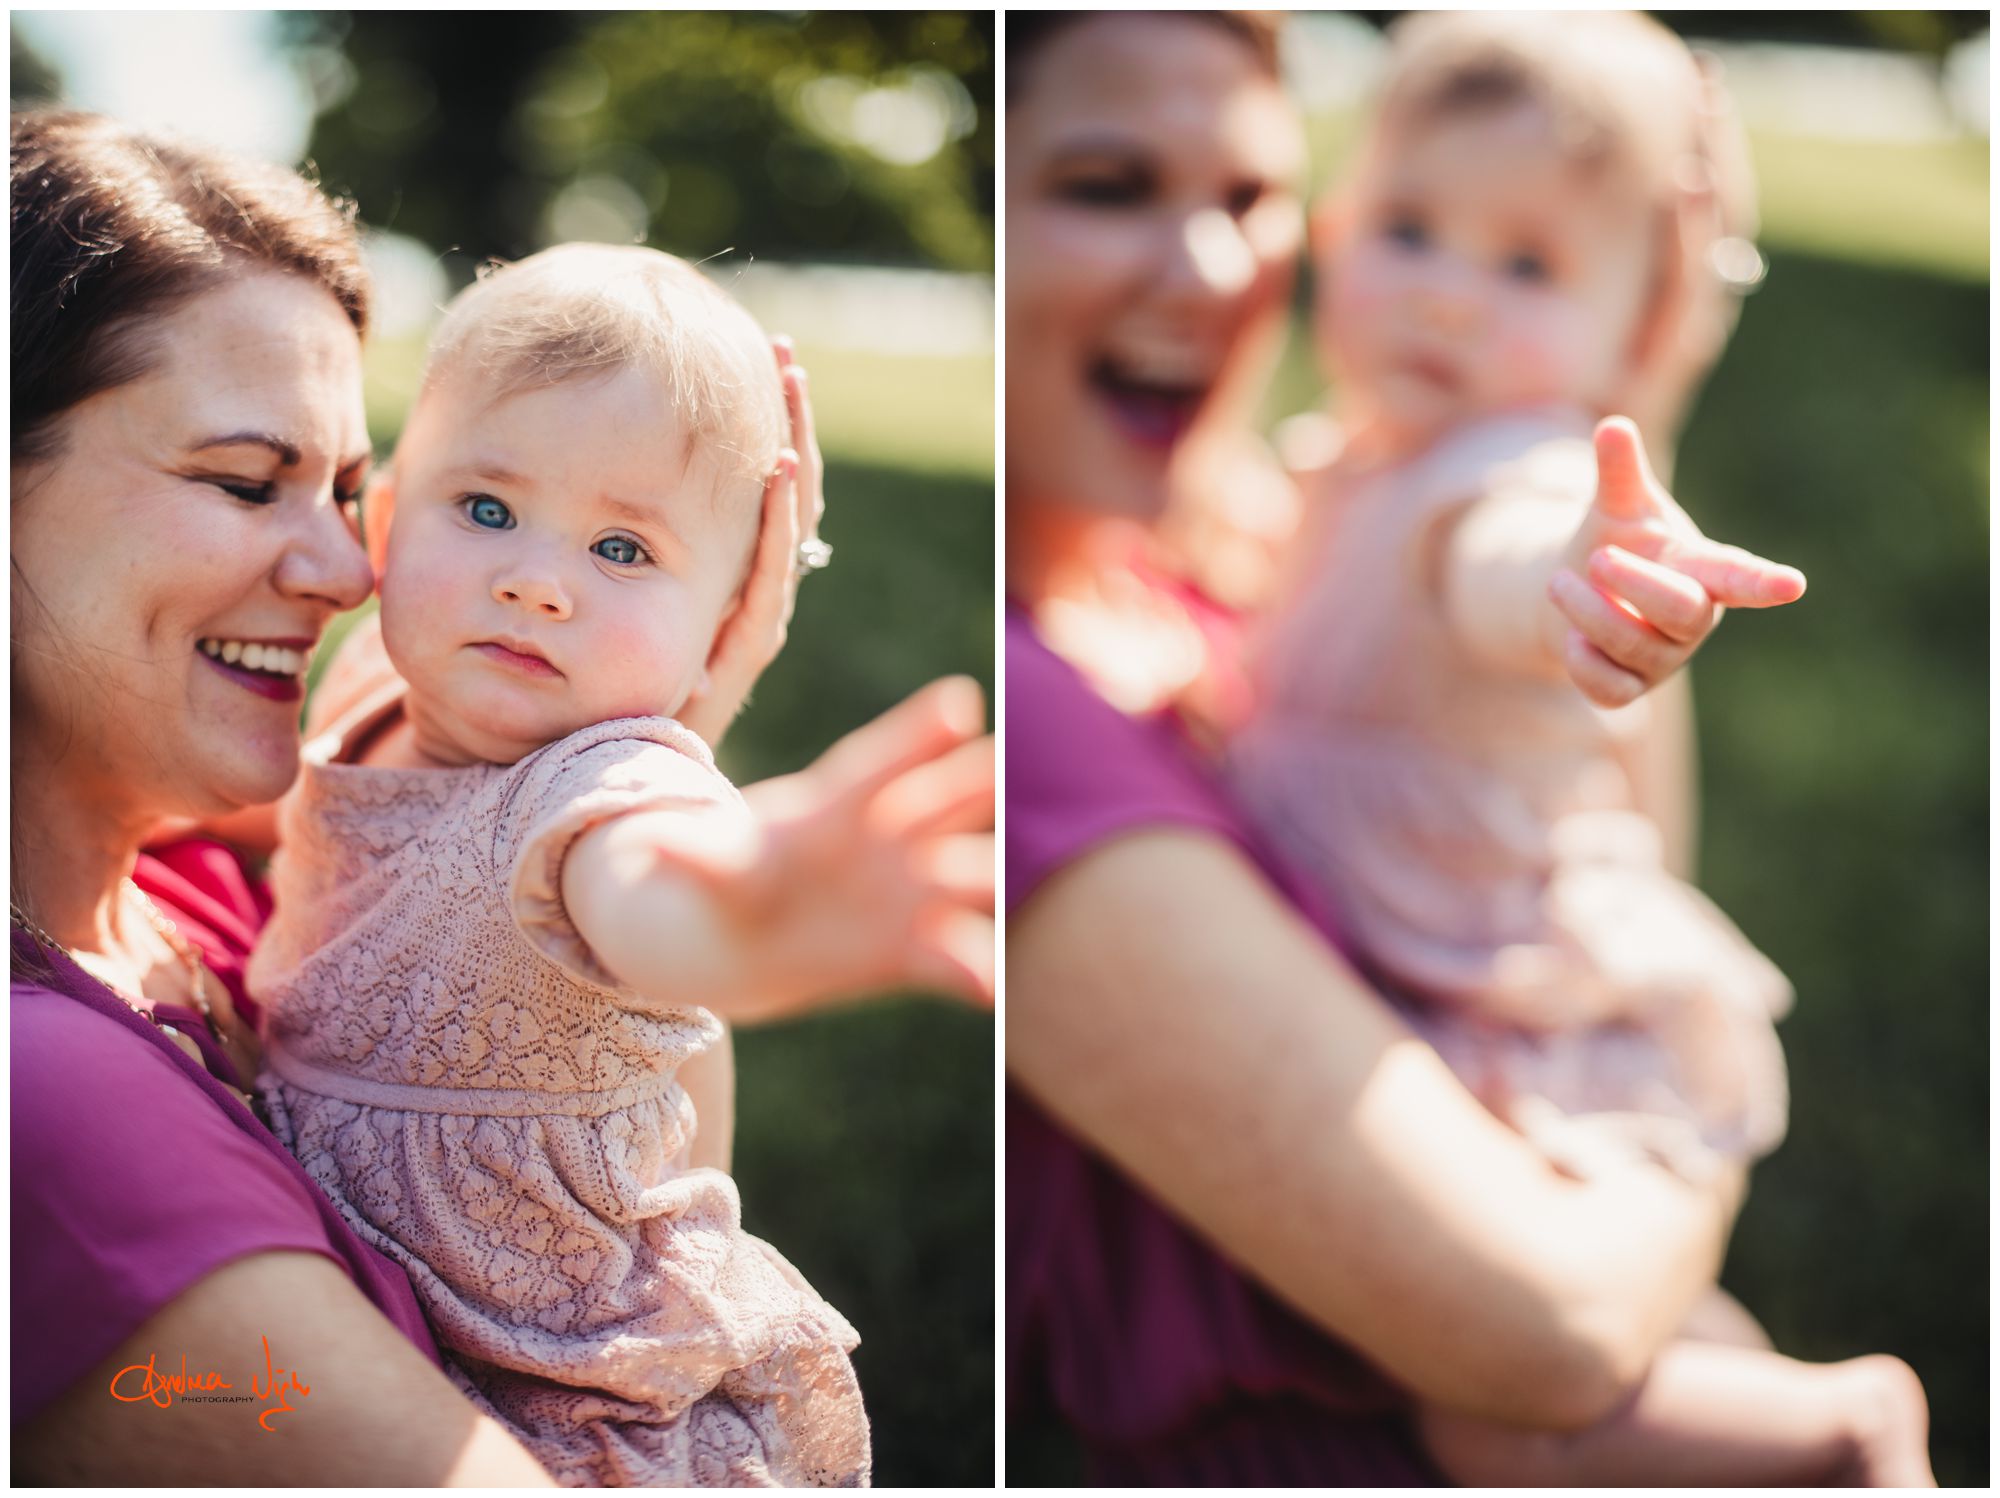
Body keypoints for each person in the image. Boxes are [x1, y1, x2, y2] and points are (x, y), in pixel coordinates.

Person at [1003, 13, 1929, 1486]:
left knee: (1519, 1418)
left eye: (1526, 264)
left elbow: (1495, 564)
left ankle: (1853, 1428)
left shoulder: (1500, 474)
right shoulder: (1331, 476)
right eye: (1411, 229)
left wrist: (1586, 565)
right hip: (1463, 992)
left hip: (1513, 1015)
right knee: (1648, 1374)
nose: (1445, 298)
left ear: (1632, 325)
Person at [10, 109, 986, 1485]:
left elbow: (626, 881)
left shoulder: (200, 863)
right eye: (245, 479)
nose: (347, 571)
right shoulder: (43, 1091)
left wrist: (687, 802)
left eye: (347, 490)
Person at [248, 242, 990, 1487]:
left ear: (722, 617)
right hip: (375, 1319)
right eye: (485, 510)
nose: (534, 583)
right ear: (386, 524)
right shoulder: (380, 679)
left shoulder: (599, 792)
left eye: (624, 551)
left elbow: (649, 887)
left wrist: (749, 910)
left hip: (560, 1384)